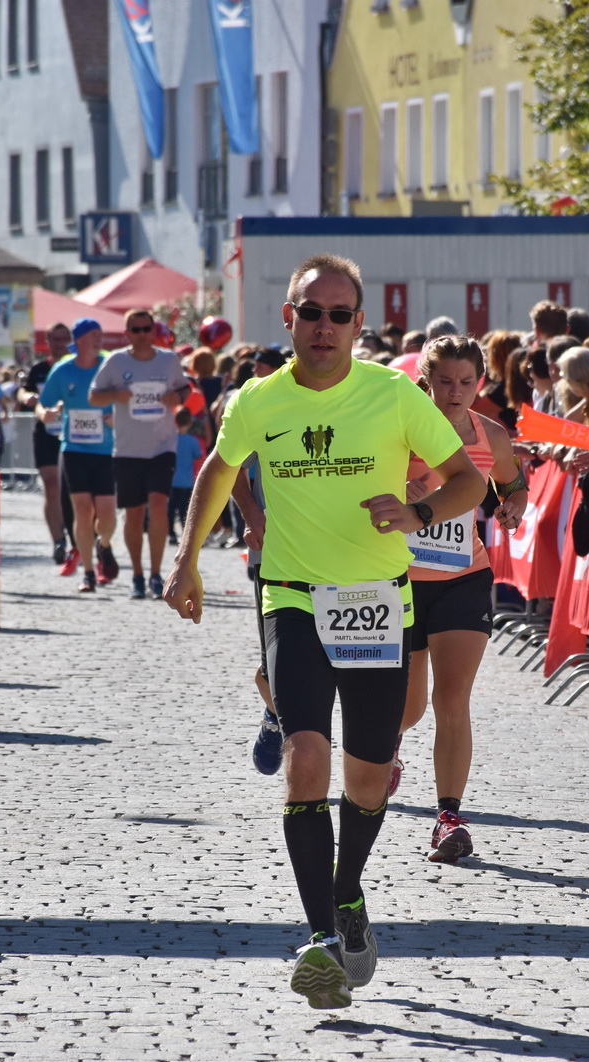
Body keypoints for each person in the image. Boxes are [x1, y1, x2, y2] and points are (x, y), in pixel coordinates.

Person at [164, 253, 486, 1010]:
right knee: (307, 756)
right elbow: (217, 469)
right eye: (312, 311)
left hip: (378, 598)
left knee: (368, 773)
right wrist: (185, 561)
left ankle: (347, 895)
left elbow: (473, 479)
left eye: (340, 315)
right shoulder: (257, 399)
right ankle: (321, 937)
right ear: (289, 317)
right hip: (293, 595)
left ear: (359, 325)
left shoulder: (393, 395)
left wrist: (419, 513)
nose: (325, 327)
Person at [395, 336, 527, 863]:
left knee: (452, 701)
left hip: (462, 577)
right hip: (398, 580)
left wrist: (513, 507)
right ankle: (394, 746)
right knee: (408, 708)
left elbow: (513, 484)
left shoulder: (489, 435)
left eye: (466, 382)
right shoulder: (399, 426)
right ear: (425, 379)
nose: (454, 392)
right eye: (444, 381)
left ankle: (448, 819)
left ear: (481, 383)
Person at [90, 308, 193, 600]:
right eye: (135, 330)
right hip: (127, 450)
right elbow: (94, 396)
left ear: (153, 330)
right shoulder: (116, 361)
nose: (142, 335)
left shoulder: (168, 360)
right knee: (134, 515)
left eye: (146, 329)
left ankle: (157, 574)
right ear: (127, 333)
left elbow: (185, 390)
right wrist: (115, 396)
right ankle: (137, 574)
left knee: (159, 506)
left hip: (162, 446)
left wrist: (178, 398)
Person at [38, 318, 120, 592]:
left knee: (107, 517)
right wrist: (45, 414)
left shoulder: (109, 366)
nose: (99, 339)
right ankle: (88, 572)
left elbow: (124, 397)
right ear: (81, 339)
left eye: (101, 334)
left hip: (105, 451)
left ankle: (104, 545)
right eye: (94, 334)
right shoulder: (63, 371)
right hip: (73, 450)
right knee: (82, 512)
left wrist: (115, 416)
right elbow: (43, 403)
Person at [21, 323, 73, 560]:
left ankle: (77, 537)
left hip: (75, 435)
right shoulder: (39, 369)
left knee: (73, 491)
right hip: (46, 435)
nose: (59, 343)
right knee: (52, 487)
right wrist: (28, 397)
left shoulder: (77, 367)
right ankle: (58, 541)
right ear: (48, 341)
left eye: (63, 339)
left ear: (70, 340)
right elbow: (22, 391)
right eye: (55, 339)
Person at [169, 407, 201, 545]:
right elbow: (198, 455)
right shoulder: (193, 441)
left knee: (170, 508)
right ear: (189, 423)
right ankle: (184, 533)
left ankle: (171, 533)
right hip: (186, 480)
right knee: (184, 509)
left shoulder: (171, 439)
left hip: (171, 479)